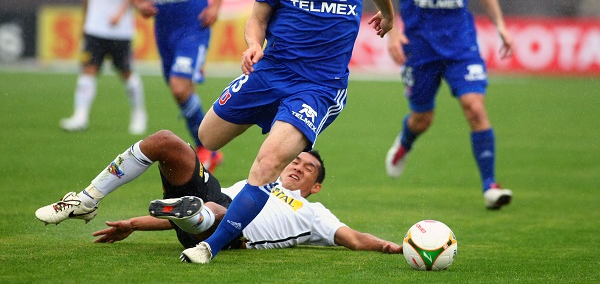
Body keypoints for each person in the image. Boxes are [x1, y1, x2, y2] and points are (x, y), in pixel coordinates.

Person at [181, 0, 395, 263]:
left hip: (319, 87)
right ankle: (212, 206)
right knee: (207, 136)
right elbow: (257, 19)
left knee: (267, 165)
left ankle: (209, 246)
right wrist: (253, 44)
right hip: (272, 71)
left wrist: (388, 15)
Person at [34, 130, 402, 256]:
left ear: (316, 186)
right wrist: (133, 224)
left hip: (232, 238)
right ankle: (87, 199)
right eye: (296, 160)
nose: (297, 166)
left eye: (307, 169)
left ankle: (196, 216)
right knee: (168, 142)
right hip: (206, 216)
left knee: (220, 208)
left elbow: (354, 239)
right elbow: (188, 210)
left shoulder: (313, 213)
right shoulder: (255, 184)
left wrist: (391, 246)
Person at [381, 0, 513, 210]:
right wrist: (392, 33)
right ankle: (405, 143)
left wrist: (500, 25)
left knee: (474, 107)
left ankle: (490, 186)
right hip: (420, 49)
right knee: (422, 118)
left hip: (461, 47)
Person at [125, 0, 229, 172]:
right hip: (164, 34)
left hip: (193, 29)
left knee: (179, 87)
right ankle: (208, 148)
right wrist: (140, 5)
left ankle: (206, 148)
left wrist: (215, 7)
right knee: (182, 92)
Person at [60, 0, 147, 135]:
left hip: (119, 32)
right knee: (87, 71)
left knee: (126, 73)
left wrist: (119, 13)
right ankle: (80, 116)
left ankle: (139, 114)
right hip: (95, 29)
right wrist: (84, 22)